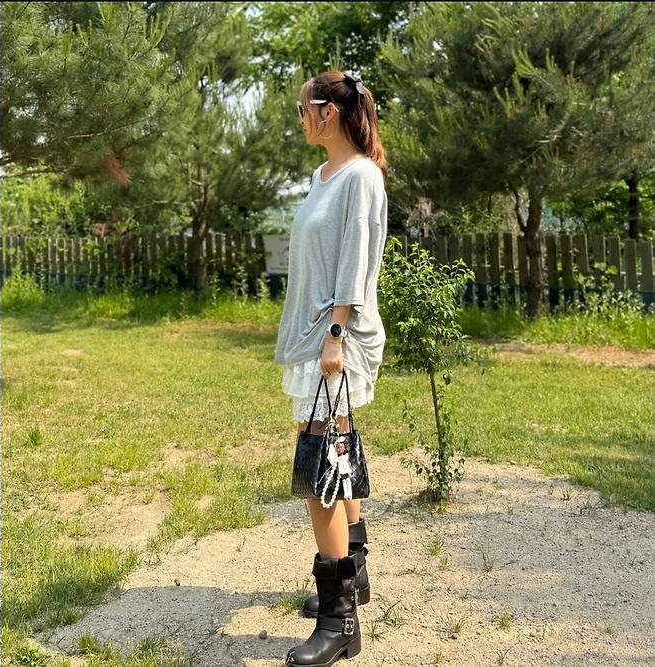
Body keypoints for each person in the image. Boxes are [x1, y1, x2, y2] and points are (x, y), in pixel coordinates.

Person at [273, 69, 388, 666]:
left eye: (303, 109)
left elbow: (357, 261)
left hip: (334, 340)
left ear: (328, 112)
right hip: (314, 337)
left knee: (320, 468)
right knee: (336, 455)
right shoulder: (321, 176)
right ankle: (355, 571)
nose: (299, 119)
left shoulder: (362, 177)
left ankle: (339, 620)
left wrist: (337, 335)